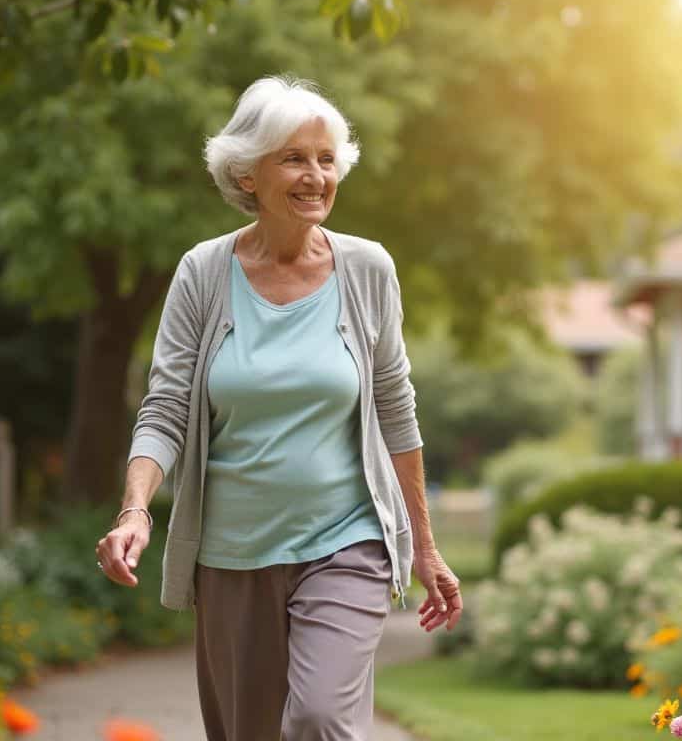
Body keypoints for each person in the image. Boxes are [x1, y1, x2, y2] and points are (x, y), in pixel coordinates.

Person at [94, 75, 462, 741]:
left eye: (326, 159)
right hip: (233, 553)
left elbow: (394, 408)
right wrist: (135, 509)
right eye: (294, 157)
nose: (315, 175)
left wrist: (425, 549)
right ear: (247, 175)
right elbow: (166, 407)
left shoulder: (368, 270)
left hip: (346, 541)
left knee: (320, 719)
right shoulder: (203, 274)